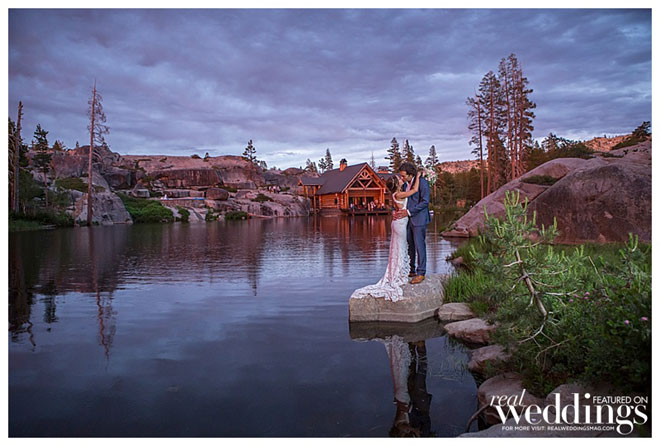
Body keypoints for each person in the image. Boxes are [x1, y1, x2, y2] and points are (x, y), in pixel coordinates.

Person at [350, 171, 421, 302]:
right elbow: (415, 189)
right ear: (397, 184)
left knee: (398, 249)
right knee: (400, 248)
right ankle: (399, 275)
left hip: (396, 223)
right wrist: (418, 176)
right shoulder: (399, 194)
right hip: (400, 224)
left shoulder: (394, 194)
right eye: (399, 179)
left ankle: (397, 272)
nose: (401, 179)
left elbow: (407, 193)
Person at [393, 162, 431, 284]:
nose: (402, 178)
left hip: (419, 219)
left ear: (411, 174)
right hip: (406, 220)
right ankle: (411, 269)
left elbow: (425, 202)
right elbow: (402, 200)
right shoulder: (404, 186)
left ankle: (421, 273)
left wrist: (408, 212)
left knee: (420, 245)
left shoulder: (423, 183)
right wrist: (397, 211)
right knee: (410, 245)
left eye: (404, 176)